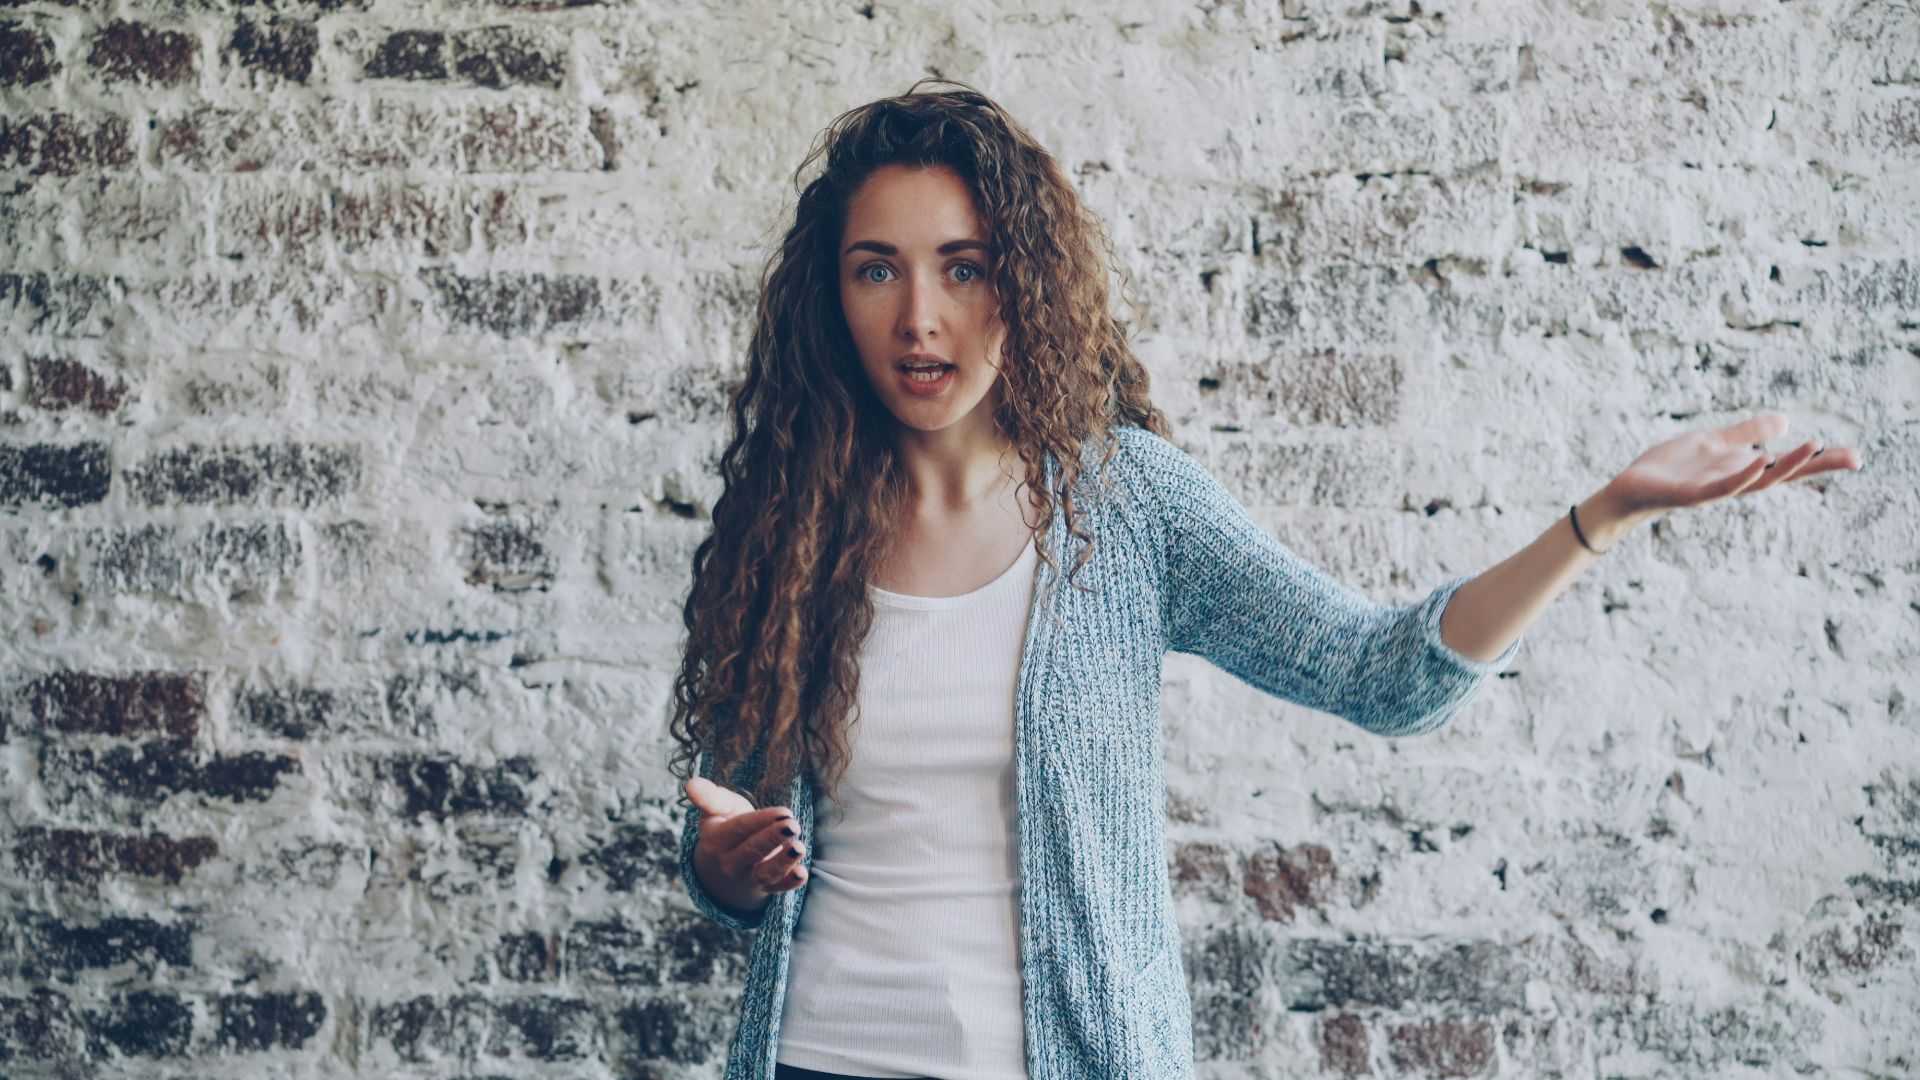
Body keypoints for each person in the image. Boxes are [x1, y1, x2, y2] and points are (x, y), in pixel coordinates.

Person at [667, 80, 1865, 1080]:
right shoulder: (793, 526)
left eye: (964, 268)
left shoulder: (1124, 505)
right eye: (877, 271)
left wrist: (1601, 517)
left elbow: (1382, 675)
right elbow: (725, 834)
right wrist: (721, 868)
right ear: (833, 295)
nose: (920, 318)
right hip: (815, 1054)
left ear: (1020, 283)